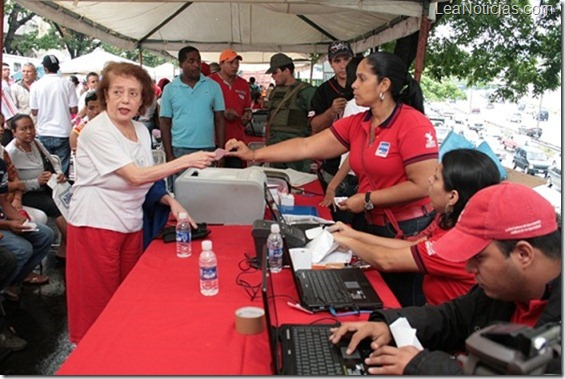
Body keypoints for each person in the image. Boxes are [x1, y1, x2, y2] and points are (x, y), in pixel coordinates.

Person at [226, 51, 439, 306]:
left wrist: (368, 199)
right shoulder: (360, 122)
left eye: (361, 78)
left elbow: (422, 184)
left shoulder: (413, 124)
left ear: (384, 85)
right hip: (372, 223)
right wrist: (254, 153)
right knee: (375, 297)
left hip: (407, 230)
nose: (353, 85)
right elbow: (306, 147)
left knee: (403, 303)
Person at [329, 182, 561, 375]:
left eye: (478, 257)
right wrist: (387, 325)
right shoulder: (503, 290)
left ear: (523, 254)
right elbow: (453, 317)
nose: (469, 267)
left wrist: (423, 365)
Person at [66, 62, 216, 343]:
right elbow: (134, 176)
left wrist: (170, 199)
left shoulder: (142, 131)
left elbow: (148, 179)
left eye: (134, 94)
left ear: (144, 100)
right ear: (105, 95)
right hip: (96, 226)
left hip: (130, 223)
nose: (125, 100)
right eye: (118, 92)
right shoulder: (97, 131)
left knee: (126, 298)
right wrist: (184, 161)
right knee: (97, 310)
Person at [329, 149, 501, 305]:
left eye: (436, 178)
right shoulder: (452, 222)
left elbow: (386, 260)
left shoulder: (457, 244)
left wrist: (349, 242)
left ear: (452, 196)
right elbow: (413, 246)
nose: (429, 180)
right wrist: (354, 235)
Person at [5, 114, 68, 261]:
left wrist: (59, 174)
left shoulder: (36, 143)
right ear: (14, 132)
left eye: (31, 127)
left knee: (72, 199)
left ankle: (65, 249)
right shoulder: (11, 153)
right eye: (23, 129)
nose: (29, 132)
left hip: (46, 187)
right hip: (26, 194)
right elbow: (14, 184)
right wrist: (36, 181)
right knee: (57, 207)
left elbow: (53, 161)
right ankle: (73, 247)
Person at [159, 46, 225, 167]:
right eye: (191, 61)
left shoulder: (213, 86)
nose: (196, 65)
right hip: (179, 149)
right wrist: (169, 154)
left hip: (207, 148)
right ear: (181, 64)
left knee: (206, 186)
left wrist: (220, 150)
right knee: (181, 186)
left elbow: (220, 119)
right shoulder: (170, 89)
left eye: (198, 60)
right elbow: (164, 123)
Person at [0, 156, 54, 302]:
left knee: (45, 234)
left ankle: (12, 281)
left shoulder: (1, 163)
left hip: (3, 217)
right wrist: (8, 225)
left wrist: (19, 219)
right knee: (22, 248)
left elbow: (3, 201)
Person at [310, 41, 354, 194]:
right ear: (330, 63)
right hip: (332, 164)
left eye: (346, 59)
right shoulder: (323, 91)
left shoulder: (365, 86)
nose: (343, 65)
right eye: (337, 60)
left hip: (362, 165)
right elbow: (314, 126)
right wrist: (331, 111)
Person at [262, 53, 316, 173]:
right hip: (276, 147)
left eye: (275, 72)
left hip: (297, 149)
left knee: (300, 183)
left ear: (286, 70)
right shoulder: (275, 91)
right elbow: (270, 119)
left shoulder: (306, 91)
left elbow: (317, 121)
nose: (273, 76)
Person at [29, 55, 79, 175]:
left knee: (46, 168)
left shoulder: (36, 85)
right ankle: (62, 193)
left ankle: (48, 192)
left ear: (45, 68)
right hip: (63, 132)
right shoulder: (68, 84)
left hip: (44, 131)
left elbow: (34, 111)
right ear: (58, 68)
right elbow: (74, 109)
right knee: (62, 170)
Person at [209, 49, 252, 168]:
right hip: (213, 140)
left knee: (235, 178)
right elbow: (201, 109)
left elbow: (247, 108)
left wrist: (247, 115)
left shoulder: (243, 84)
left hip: (236, 141)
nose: (235, 66)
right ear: (221, 64)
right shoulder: (210, 82)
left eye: (237, 63)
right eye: (231, 63)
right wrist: (222, 113)